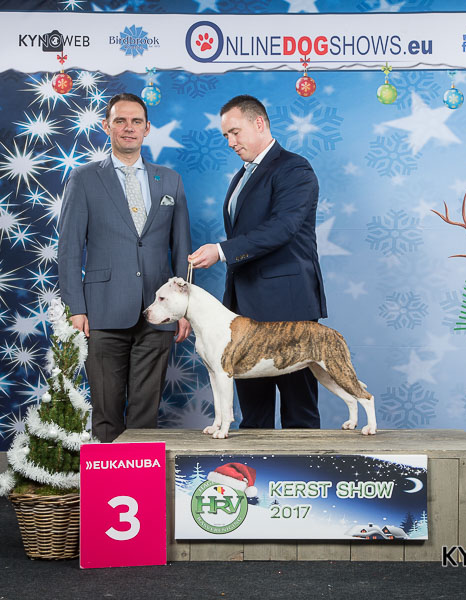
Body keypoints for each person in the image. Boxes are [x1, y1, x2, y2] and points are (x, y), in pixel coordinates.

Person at [58, 93, 192, 443]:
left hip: (159, 313)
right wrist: (76, 308)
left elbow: (182, 249)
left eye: (136, 121)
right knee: (106, 413)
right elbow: (69, 249)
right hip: (101, 311)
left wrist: (184, 309)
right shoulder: (84, 179)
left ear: (147, 128)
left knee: (146, 415)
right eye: (120, 121)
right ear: (107, 126)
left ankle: (140, 478)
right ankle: (108, 478)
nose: (128, 128)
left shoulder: (171, 180)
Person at [189, 94, 327, 429]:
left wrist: (221, 250)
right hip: (244, 313)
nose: (230, 142)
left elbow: (283, 227)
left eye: (235, 132)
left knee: (299, 413)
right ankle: (254, 466)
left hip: (288, 308)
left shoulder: (294, 168)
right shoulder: (242, 175)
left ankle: (304, 465)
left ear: (260, 123)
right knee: (254, 416)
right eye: (226, 136)